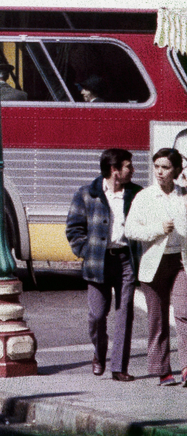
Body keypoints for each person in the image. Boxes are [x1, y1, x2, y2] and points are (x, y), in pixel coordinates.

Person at [66, 148, 142, 382]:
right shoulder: (87, 194)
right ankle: (99, 354)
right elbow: (74, 228)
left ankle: (119, 367)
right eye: (129, 165)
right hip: (98, 261)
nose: (133, 170)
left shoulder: (137, 194)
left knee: (124, 313)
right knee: (97, 315)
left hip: (125, 260)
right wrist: (87, 252)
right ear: (114, 170)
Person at [126, 148, 187, 386]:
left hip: (181, 261)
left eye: (166, 167)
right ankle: (162, 370)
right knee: (157, 318)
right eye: (157, 167)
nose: (160, 172)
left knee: (184, 313)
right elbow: (131, 230)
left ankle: (186, 367)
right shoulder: (145, 197)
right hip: (154, 263)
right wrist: (158, 228)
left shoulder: (183, 196)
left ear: (176, 171)